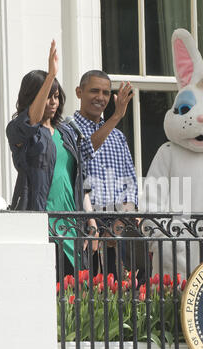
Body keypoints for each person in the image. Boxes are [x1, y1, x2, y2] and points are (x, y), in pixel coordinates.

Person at [6, 40, 97, 277]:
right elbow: (31, 121)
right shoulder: (19, 130)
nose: (53, 101)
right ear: (32, 98)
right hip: (42, 226)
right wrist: (50, 76)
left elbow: (80, 180)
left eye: (56, 96)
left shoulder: (67, 132)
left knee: (76, 301)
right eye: (47, 96)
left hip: (72, 226)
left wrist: (90, 220)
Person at [73, 70, 138, 279]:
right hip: (84, 227)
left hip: (117, 229)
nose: (101, 97)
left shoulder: (118, 137)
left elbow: (131, 183)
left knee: (119, 304)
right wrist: (117, 116)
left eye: (106, 93)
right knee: (85, 301)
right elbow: (84, 150)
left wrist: (121, 223)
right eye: (94, 91)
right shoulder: (67, 130)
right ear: (79, 92)